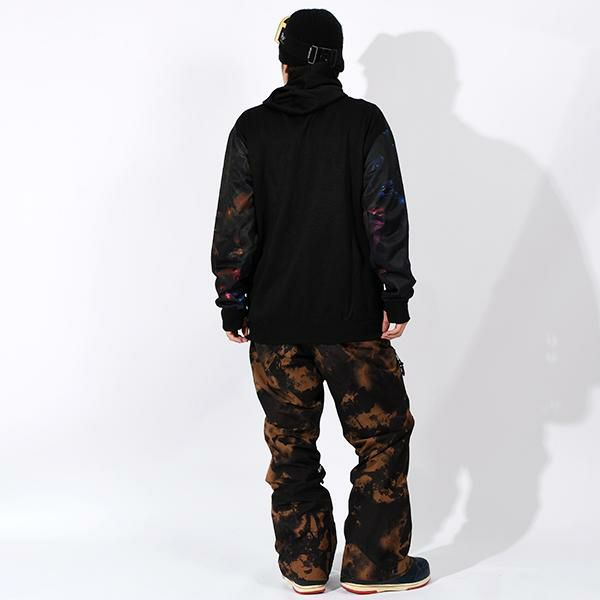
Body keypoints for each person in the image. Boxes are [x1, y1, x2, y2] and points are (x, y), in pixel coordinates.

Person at [210, 8, 430, 595]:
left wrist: (233, 299)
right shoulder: (364, 123)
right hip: (352, 320)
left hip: (275, 324)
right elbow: (384, 214)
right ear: (337, 60)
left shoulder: (252, 129)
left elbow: (235, 223)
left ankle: (305, 567)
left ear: (285, 61)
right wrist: (395, 294)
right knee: (380, 437)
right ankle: (375, 566)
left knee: (291, 446)